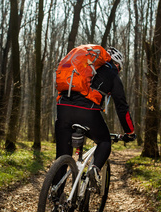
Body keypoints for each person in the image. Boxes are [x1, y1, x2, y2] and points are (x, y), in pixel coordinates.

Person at [55, 47, 136, 186]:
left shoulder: (84, 66)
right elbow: (122, 107)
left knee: (62, 157)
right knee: (104, 142)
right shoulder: (112, 74)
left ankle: (55, 195)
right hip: (87, 112)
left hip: (63, 108)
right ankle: (94, 170)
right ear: (117, 64)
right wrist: (130, 132)